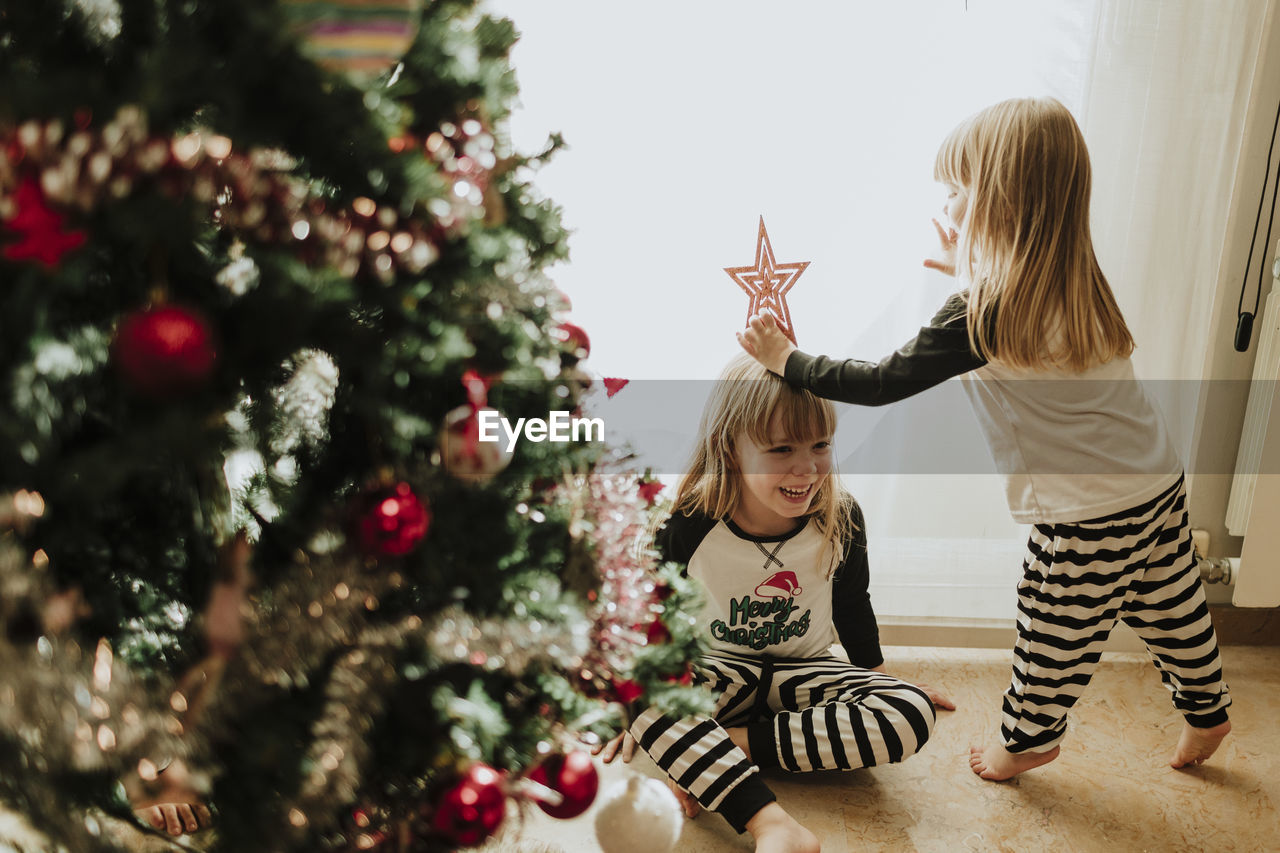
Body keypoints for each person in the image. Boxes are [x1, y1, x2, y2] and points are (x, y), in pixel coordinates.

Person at [737, 96, 1231, 782]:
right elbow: (1009, 323)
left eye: (958, 190)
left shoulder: (980, 313)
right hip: (1155, 479)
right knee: (1170, 600)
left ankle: (1027, 739)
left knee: (1050, 628)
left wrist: (787, 359)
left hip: (1086, 512)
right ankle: (1208, 709)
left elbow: (880, 381)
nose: (950, 203)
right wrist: (962, 269)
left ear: (1001, 203)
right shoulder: (1076, 282)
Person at [595, 354, 948, 853]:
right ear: (730, 449)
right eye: (781, 448)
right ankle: (769, 822)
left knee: (909, 711)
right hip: (718, 675)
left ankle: (721, 752)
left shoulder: (840, 518)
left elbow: (852, 606)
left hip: (805, 673)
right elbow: (649, 622)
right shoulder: (690, 524)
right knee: (639, 689)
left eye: (821, 444)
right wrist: (623, 708)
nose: (806, 468)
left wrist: (879, 678)